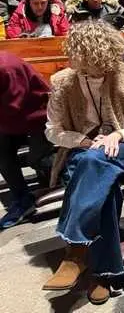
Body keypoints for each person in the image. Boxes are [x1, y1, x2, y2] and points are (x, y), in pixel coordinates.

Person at [43, 21, 124, 304]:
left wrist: (117, 133)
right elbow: (51, 130)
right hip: (82, 147)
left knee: (94, 163)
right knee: (105, 187)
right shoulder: (63, 82)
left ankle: (75, 248)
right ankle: (105, 273)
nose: (87, 65)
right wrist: (82, 140)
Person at [0, 53, 53, 230]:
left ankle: (62, 188)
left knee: (39, 159)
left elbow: (14, 104)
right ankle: (22, 199)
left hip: (38, 116)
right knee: (2, 154)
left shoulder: (6, 66)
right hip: (10, 119)